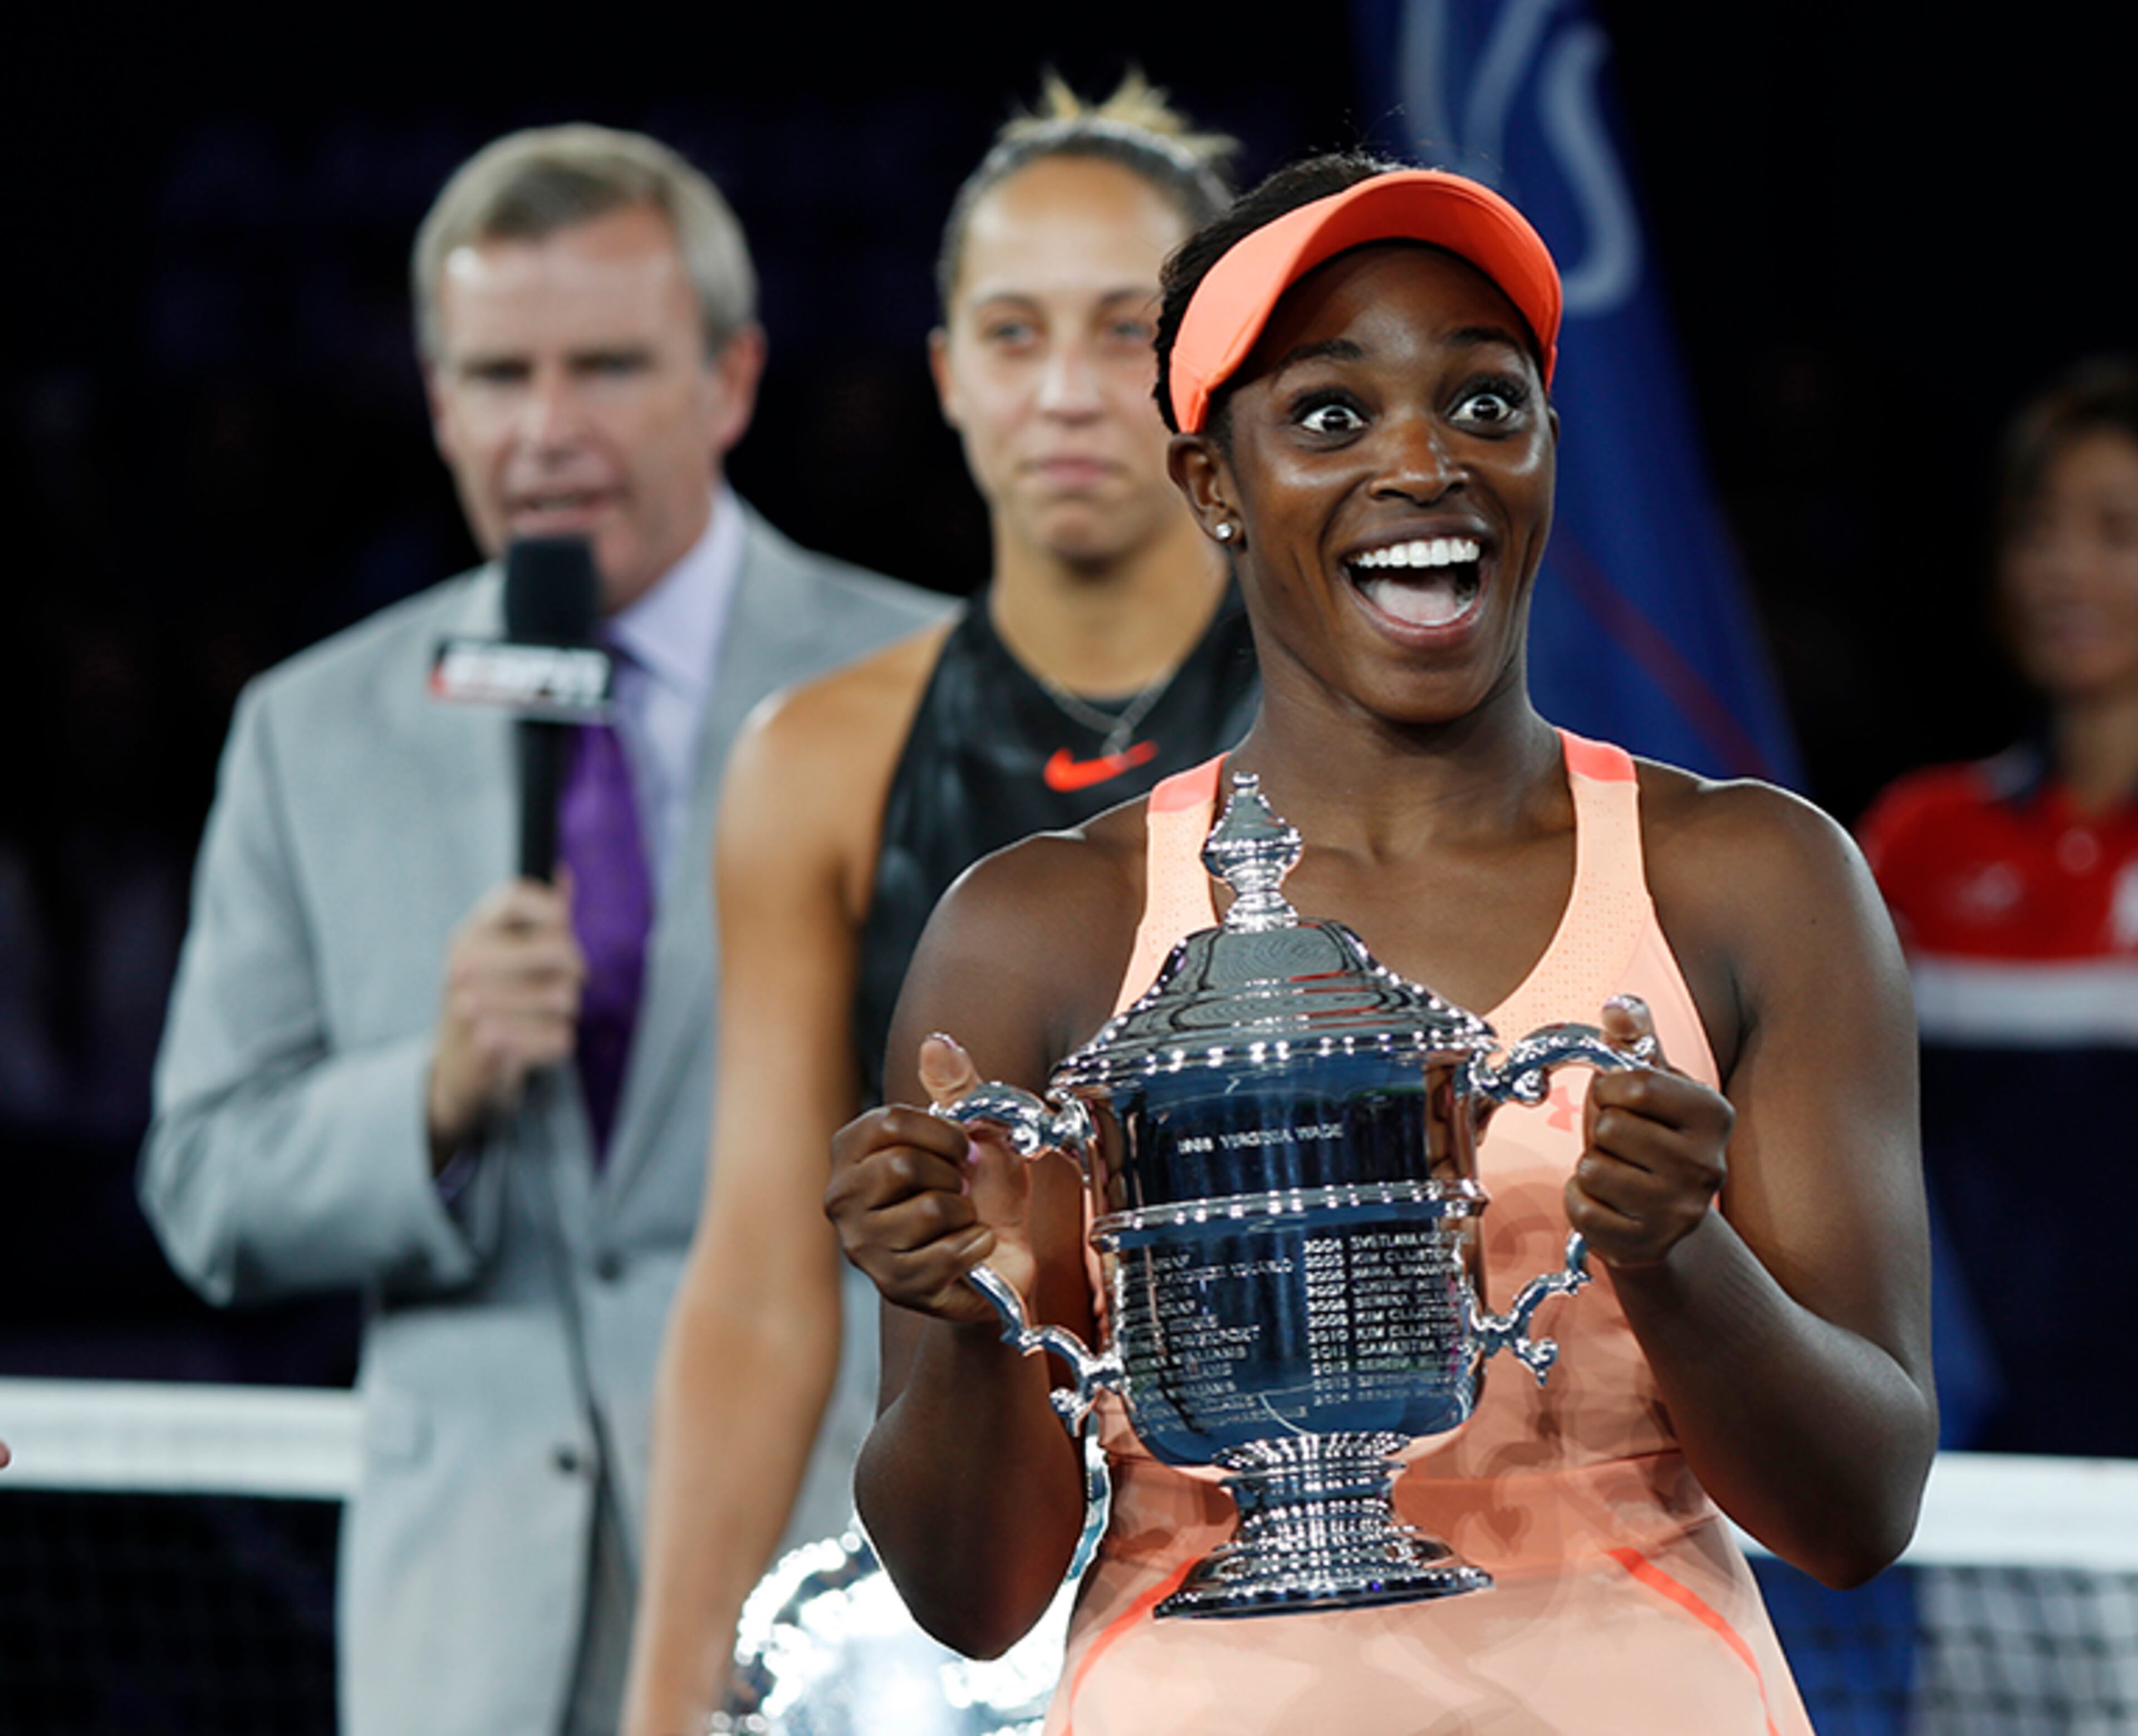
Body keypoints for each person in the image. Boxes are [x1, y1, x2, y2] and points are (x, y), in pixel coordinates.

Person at [827, 154, 1938, 1733]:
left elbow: (1860, 1509)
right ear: (1212, 480)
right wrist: (959, 1308)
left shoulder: (1755, 879)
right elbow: (973, 1592)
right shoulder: (1036, 930)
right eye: (1332, 415)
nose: (1425, 460)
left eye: (1487, 403)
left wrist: (1681, 1251)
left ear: (1553, 444)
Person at [138, 125, 943, 1736]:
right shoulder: (314, 729)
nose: (548, 428)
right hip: (466, 1630)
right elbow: (203, 1183)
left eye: (609, 367)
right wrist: (424, 1095)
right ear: (438, 399)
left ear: (730, 378)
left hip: (833, 1594)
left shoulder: (923, 687)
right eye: (499, 374)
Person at [620, 76, 1257, 1735]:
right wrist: (667, 1692)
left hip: (1299, 1577)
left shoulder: (1367, 740)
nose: (1062, 389)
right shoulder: (819, 761)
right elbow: (762, 1273)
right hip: (942, 1603)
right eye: (1010, 330)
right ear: (947, 375)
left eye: (1126, 329)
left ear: (1217, 369)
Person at [1859, 359, 2138, 1457]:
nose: (2064, 568)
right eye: (2037, 530)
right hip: (1979, 1458)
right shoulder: (1919, 837)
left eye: (2115, 530)